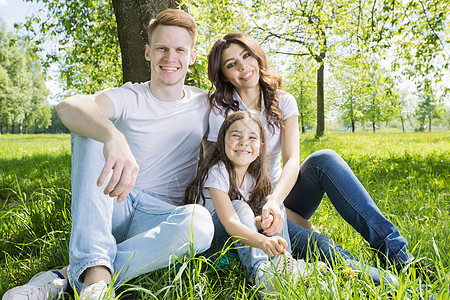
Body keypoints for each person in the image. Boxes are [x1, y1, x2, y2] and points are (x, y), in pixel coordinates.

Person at [3, 9, 214, 300]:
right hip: (111, 205)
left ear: (191, 57)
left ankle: (68, 275)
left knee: (200, 223)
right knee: (90, 129)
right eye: (162, 48)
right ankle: (96, 280)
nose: (170, 58)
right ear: (148, 53)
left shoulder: (205, 103)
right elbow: (68, 106)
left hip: (158, 219)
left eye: (179, 50)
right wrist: (112, 135)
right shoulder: (131, 96)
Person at [205, 33, 431, 285]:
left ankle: (399, 257)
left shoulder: (283, 101)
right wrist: (291, 220)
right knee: (323, 247)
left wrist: (277, 202)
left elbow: (291, 161)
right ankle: (394, 286)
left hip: (279, 196)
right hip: (246, 211)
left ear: (257, 56)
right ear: (224, 75)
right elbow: (221, 172)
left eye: (246, 56)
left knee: (325, 158)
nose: (243, 66)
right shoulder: (220, 110)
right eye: (231, 64)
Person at [184, 110, 319, 296]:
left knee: (274, 205)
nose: (244, 142)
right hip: (209, 249)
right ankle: (260, 274)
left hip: (236, 244)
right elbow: (230, 222)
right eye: (236, 135)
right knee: (239, 206)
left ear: (261, 146)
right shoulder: (217, 172)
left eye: (252, 137)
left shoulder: (252, 179)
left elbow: (245, 220)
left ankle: (284, 261)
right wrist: (263, 241)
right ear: (223, 140)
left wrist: (262, 223)